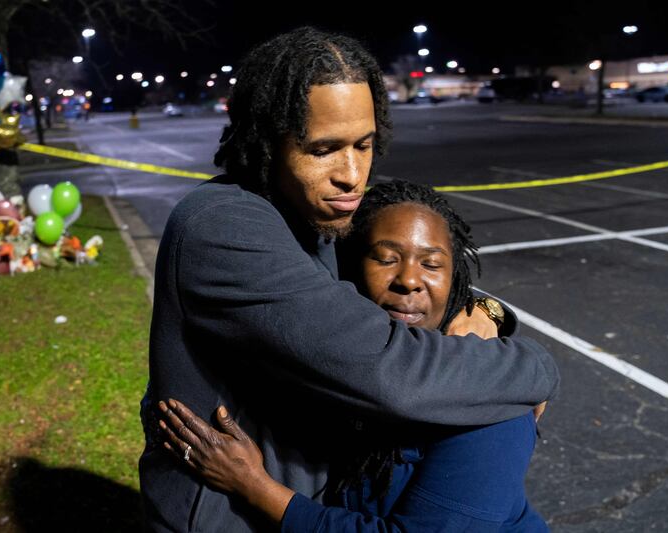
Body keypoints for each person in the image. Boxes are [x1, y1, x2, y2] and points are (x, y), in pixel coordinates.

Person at [140, 27, 559, 532]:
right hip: (226, 516)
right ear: (266, 140)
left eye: (364, 144)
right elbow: (390, 373)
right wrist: (538, 365)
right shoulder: (225, 227)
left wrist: (489, 311)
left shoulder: (313, 215)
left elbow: (399, 270)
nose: (352, 174)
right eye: (323, 149)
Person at [156, 180, 549, 532]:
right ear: (350, 268)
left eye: (431, 264)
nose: (409, 280)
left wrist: (254, 486)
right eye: (386, 257)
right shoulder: (347, 361)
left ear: (454, 279)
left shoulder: (495, 398)